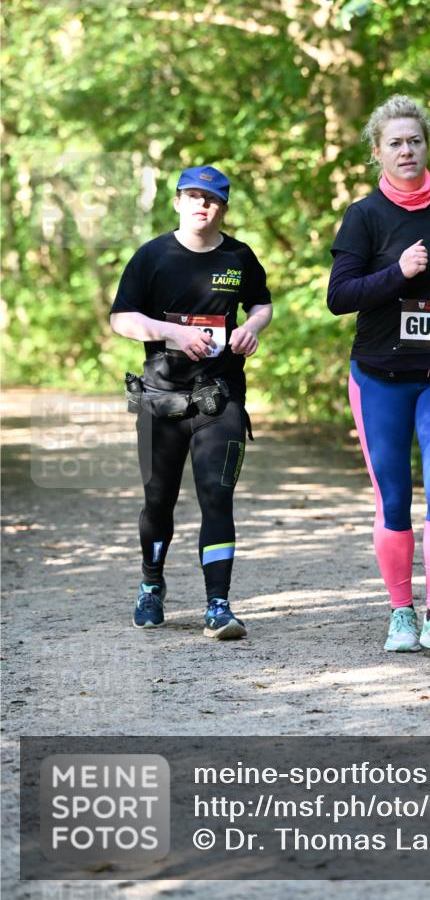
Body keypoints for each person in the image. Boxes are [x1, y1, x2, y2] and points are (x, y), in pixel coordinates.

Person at [327, 95, 430, 659]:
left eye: (415, 140)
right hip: (380, 375)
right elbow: (339, 297)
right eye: (395, 143)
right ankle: (402, 614)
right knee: (394, 496)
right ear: (378, 152)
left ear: (426, 146)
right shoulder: (364, 216)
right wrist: (395, 273)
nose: (407, 150)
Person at [110, 165, 272, 639]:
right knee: (158, 502)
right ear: (178, 201)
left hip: (219, 400)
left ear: (223, 207)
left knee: (216, 496)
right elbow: (121, 318)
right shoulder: (152, 256)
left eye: (214, 198)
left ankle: (218, 606)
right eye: (194, 196)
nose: (204, 205)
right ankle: (151, 584)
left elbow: (261, 303)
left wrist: (250, 328)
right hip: (160, 401)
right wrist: (171, 332)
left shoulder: (239, 257)